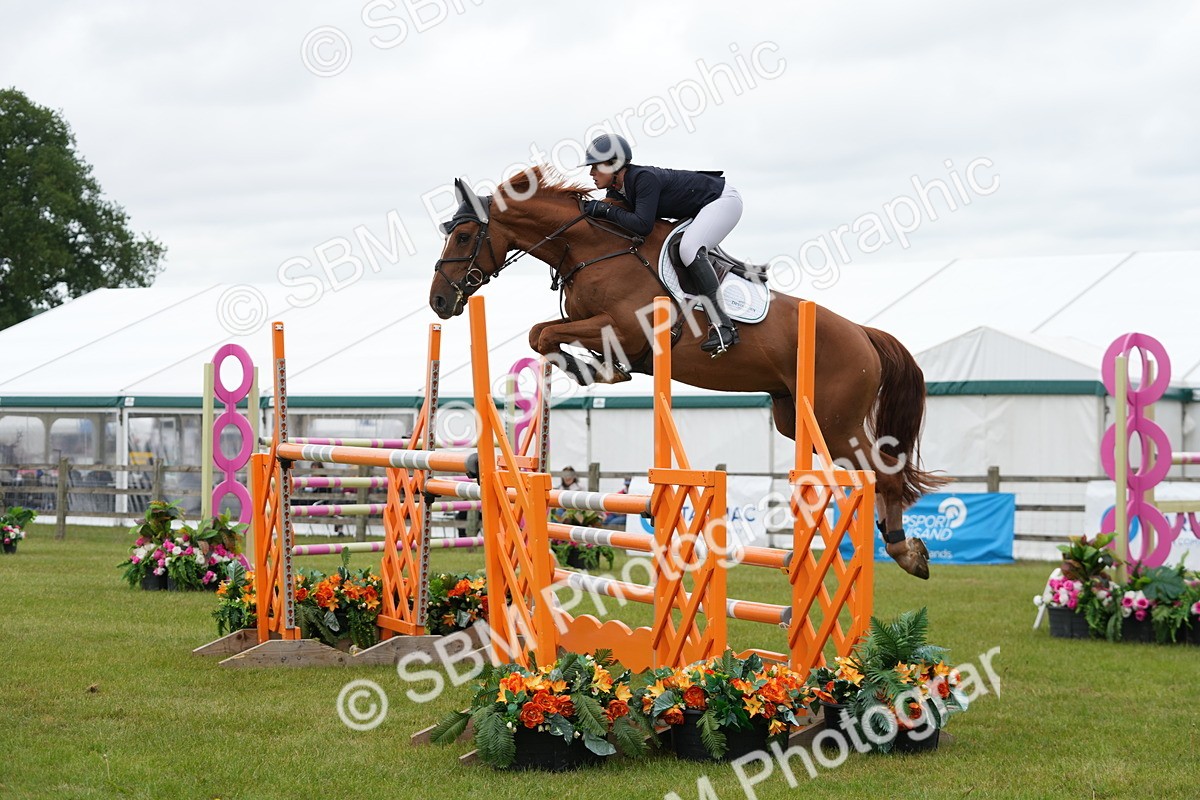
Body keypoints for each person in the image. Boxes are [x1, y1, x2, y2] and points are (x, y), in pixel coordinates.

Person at [580, 133, 743, 356]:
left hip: (722, 201)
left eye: (595, 167)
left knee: (689, 249)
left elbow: (642, 225)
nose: (591, 173)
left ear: (615, 165)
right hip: (700, 208)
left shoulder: (643, 178)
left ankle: (724, 326)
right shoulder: (617, 189)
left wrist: (605, 210)